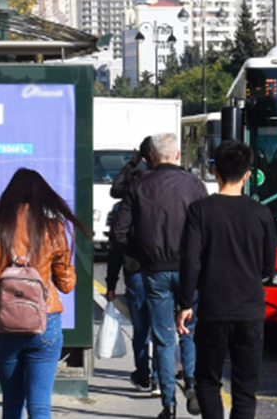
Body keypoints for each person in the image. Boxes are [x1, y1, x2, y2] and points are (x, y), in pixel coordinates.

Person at [0, 168, 87, 419]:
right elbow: (66, 284)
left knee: (11, 403)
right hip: (45, 322)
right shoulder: (53, 228)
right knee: (40, 406)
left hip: (3, 323)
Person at [177, 140, 277, 419]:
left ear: (215, 172)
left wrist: (185, 303)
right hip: (250, 310)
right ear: (247, 175)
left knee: (208, 380)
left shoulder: (200, 210)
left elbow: (190, 260)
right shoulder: (262, 213)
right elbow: (269, 266)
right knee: (245, 388)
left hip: (213, 310)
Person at [113, 132, 208, 419]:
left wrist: (140, 253)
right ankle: (191, 382)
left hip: (154, 270)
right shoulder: (195, 185)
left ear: (151, 157)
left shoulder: (139, 186)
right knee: (190, 328)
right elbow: (206, 227)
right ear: (177, 155)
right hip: (190, 267)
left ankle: (169, 404)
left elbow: (119, 231)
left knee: (164, 337)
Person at [106, 136, 159, 395]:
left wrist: (110, 284)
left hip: (135, 270)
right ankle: (161, 375)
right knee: (162, 326)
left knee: (141, 327)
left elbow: (116, 247)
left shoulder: (122, 207)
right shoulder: (159, 196)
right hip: (161, 268)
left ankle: (143, 374)